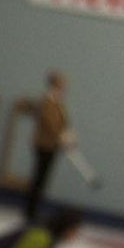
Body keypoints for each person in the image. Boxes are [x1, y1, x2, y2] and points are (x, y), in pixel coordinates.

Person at [23, 70, 73, 220]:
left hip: (53, 145)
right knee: (39, 177)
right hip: (44, 143)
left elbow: (64, 122)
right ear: (54, 84)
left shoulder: (59, 102)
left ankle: (35, 208)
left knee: (44, 179)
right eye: (62, 83)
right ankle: (30, 211)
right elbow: (49, 122)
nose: (65, 86)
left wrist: (68, 136)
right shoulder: (47, 101)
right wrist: (60, 135)